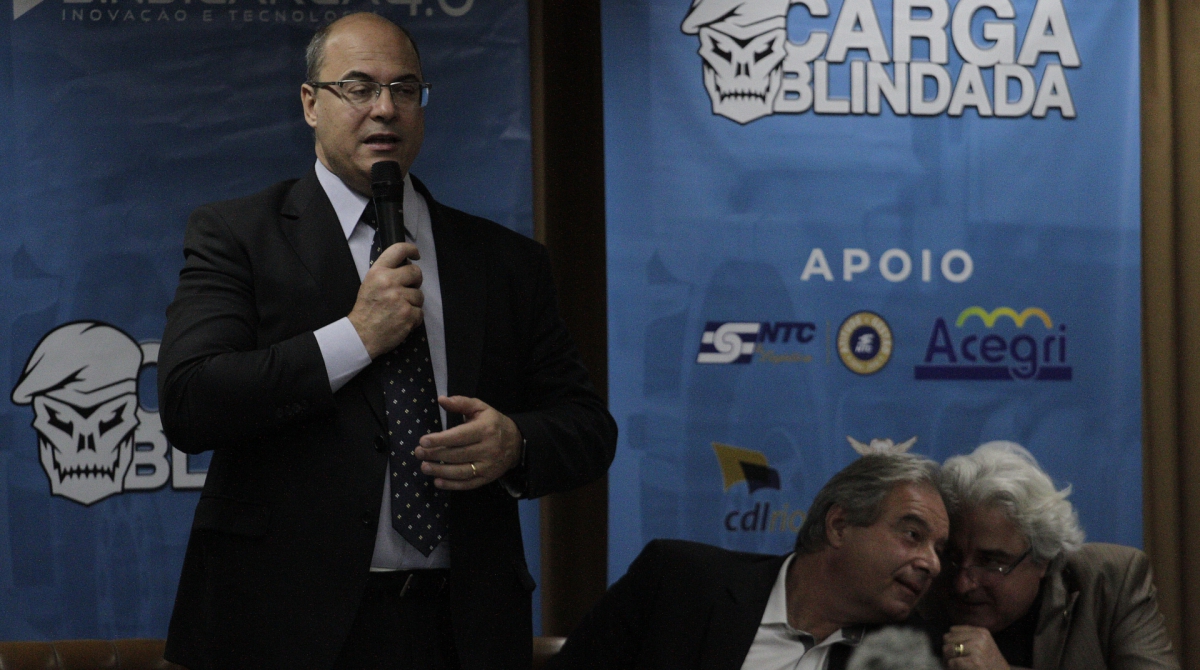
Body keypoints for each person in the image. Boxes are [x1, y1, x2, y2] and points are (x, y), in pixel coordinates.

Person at [157, 13, 617, 670]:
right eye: (358, 87)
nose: (385, 108)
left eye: (405, 89)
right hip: (281, 629)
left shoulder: (504, 261)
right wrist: (353, 337)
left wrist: (516, 442)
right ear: (311, 103)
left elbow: (587, 428)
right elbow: (190, 398)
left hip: (460, 630)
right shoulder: (240, 235)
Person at [545, 452, 950, 670]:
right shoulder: (676, 583)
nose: (931, 563)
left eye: (938, 549)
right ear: (840, 526)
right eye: (912, 535)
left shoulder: (918, 655)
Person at [928, 442, 1178, 670]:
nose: (962, 584)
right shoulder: (922, 587)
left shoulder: (1110, 582)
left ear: (1043, 558)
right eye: (952, 555)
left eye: (991, 562)